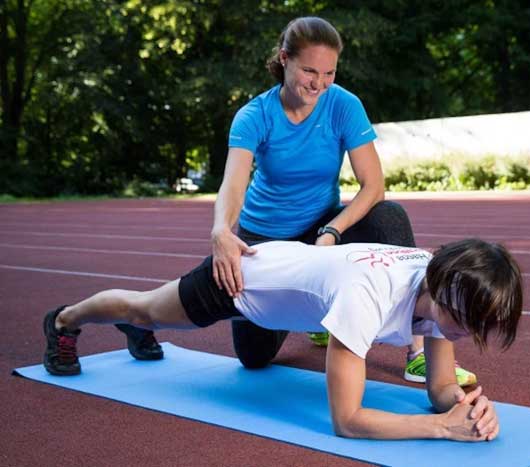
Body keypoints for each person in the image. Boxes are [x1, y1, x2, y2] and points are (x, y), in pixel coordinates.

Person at [115, 16, 474, 386]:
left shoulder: (344, 106)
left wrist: (333, 230)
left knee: (388, 216)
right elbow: (233, 185)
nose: (319, 83)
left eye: (329, 73)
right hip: (266, 239)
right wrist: (221, 229)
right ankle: (138, 316)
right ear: (284, 58)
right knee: (254, 358)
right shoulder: (254, 116)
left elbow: (373, 186)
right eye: (309, 71)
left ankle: (416, 352)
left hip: (322, 229)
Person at [42, 238, 523, 442]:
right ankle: (65, 320)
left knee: (157, 321)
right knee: (145, 308)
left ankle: (139, 331)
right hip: (240, 280)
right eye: (463, 322)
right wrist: (441, 429)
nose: (464, 335)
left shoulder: (447, 289)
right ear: (439, 289)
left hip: (287, 280)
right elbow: (348, 421)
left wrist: (466, 407)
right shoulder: (369, 296)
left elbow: (439, 388)